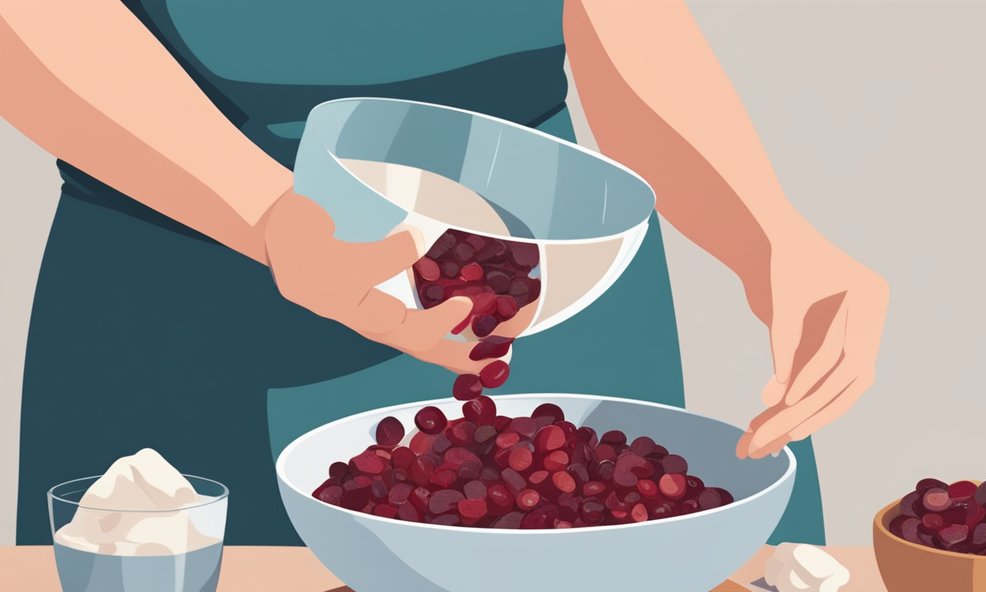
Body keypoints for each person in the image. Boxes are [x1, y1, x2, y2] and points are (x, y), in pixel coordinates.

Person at [2, 1, 887, 545]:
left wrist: (770, 234)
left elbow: (622, 14)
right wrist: (269, 216)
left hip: (539, 261)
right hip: (189, 259)